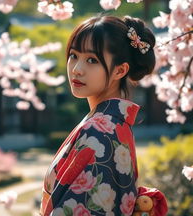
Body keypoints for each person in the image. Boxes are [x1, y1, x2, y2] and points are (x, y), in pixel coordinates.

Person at [40, 15, 167, 216]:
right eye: (73, 55)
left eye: (92, 60)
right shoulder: (111, 124)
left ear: (120, 70)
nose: (77, 69)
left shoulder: (99, 131)